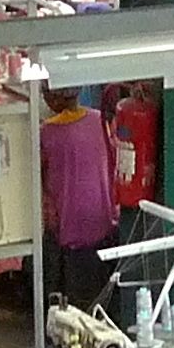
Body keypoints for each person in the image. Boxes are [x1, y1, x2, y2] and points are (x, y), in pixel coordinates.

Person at [39, 87, 117, 308]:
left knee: (75, 302)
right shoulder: (98, 120)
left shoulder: (46, 133)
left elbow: (39, 175)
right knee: (102, 298)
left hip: (70, 229)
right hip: (104, 221)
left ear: (52, 98)